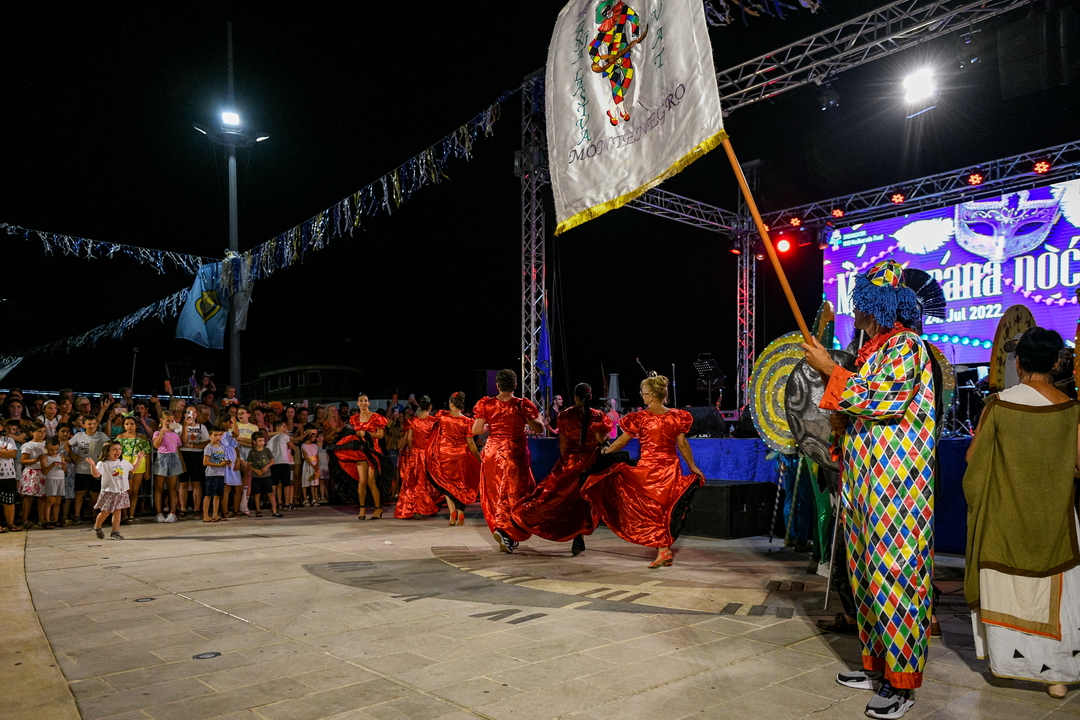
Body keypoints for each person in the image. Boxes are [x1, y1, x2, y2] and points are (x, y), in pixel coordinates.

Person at [801, 259, 936, 719]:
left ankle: (901, 685)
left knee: (895, 578)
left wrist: (828, 368)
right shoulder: (873, 352)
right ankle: (877, 667)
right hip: (865, 484)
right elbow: (862, 404)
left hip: (897, 488)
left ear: (877, 306)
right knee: (865, 577)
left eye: (861, 304)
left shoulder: (907, 345)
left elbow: (883, 399)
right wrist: (843, 422)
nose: (855, 312)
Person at [963, 327, 1080, 700]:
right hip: (1057, 523)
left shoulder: (999, 405)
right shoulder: (1071, 409)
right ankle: (1056, 677)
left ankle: (1007, 665)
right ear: (1057, 362)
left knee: (1007, 592)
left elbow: (973, 459)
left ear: (1018, 363)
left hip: (1004, 520)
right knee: (1059, 599)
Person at [583, 374, 704, 567]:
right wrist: (692, 466)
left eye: (643, 393)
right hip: (670, 468)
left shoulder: (640, 418)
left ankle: (663, 550)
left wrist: (606, 451)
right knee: (663, 510)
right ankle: (664, 550)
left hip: (649, 470)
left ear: (651, 395)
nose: (642, 396)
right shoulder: (676, 416)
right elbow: (682, 445)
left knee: (651, 511)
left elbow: (621, 441)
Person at [513, 383, 611, 555]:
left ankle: (528, 521)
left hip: (571, 462)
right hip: (591, 463)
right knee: (585, 502)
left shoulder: (565, 415)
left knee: (558, 499)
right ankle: (579, 535)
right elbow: (601, 439)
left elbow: (563, 445)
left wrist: (564, 464)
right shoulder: (597, 415)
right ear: (590, 397)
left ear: (575, 397)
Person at [472, 369, 543, 553]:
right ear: (515, 385)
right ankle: (506, 531)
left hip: (493, 453)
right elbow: (539, 429)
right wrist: (530, 420)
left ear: (497, 385)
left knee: (496, 494)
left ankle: (505, 533)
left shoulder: (486, 404)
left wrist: (493, 425)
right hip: (514, 453)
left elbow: (476, 430)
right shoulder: (522, 404)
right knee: (514, 495)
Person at [428, 392, 482, 526]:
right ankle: (461, 513)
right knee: (461, 485)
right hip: (461, 456)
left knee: (447, 484)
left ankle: (452, 513)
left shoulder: (443, 418)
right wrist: (478, 459)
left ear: (451, 404)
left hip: (445, 454)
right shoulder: (467, 421)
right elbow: (471, 443)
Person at [394, 397, 442, 519]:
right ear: (430, 406)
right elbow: (437, 439)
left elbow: (409, 439)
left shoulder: (412, 421)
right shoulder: (433, 421)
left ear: (420, 406)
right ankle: (428, 507)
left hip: (416, 454)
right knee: (428, 481)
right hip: (429, 454)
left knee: (414, 482)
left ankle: (415, 509)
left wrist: (413, 450)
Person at [346, 393, 388, 520]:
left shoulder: (376, 417)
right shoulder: (354, 419)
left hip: (373, 451)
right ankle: (362, 508)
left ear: (369, 403)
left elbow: (380, 435)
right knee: (362, 481)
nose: (363, 403)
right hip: (361, 451)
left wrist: (366, 433)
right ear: (357, 403)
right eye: (361, 401)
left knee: (371, 481)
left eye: (365, 401)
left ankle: (378, 508)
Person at [89, 441, 142, 540]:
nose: (118, 451)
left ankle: (115, 532)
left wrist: (139, 458)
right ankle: (97, 527)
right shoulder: (103, 464)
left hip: (121, 492)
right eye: (114, 449)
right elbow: (96, 475)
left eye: (119, 449)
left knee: (117, 511)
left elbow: (133, 468)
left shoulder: (123, 462)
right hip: (109, 492)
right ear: (107, 451)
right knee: (105, 512)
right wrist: (92, 465)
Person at [70, 416, 110, 522]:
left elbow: (109, 445)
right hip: (81, 468)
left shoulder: (101, 436)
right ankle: (77, 516)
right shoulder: (79, 436)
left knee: (95, 493)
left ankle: (94, 515)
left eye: (94, 423)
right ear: (83, 425)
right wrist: (72, 455)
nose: (92, 426)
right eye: (89, 424)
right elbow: (67, 445)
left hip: (96, 469)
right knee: (79, 493)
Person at [116, 415, 152, 524]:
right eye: (127, 424)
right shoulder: (120, 437)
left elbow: (147, 453)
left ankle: (131, 515)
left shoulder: (142, 437)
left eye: (132, 424)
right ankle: (124, 515)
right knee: (126, 490)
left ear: (136, 425)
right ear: (123, 426)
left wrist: (148, 470)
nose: (129, 426)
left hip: (139, 464)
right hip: (124, 464)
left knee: (135, 491)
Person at [178, 407, 209, 519]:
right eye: (189, 412)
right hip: (184, 455)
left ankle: (197, 509)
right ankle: (183, 508)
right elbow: (183, 441)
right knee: (183, 483)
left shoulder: (202, 427)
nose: (192, 414)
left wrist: (193, 445)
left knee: (196, 482)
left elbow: (206, 443)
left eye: (194, 412)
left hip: (197, 455)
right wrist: (185, 426)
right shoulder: (179, 427)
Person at [18, 422, 48, 528]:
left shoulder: (47, 444)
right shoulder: (28, 445)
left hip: (44, 472)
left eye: (44, 431)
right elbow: (23, 460)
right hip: (32, 472)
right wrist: (36, 460)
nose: (42, 434)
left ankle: (42, 519)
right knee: (28, 497)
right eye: (39, 431)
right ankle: (25, 519)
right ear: (32, 432)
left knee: (42, 498)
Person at [152, 419, 183, 522]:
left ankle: (173, 513)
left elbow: (178, 447)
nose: (170, 422)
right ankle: (158, 513)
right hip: (162, 458)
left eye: (172, 420)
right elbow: (156, 445)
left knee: (173, 487)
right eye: (168, 420)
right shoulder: (157, 433)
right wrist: (162, 432)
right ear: (162, 420)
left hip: (174, 458)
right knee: (159, 487)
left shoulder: (175, 434)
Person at [266, 420, 299, 510]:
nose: (286, 428)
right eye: (284, 426)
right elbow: (293, 447)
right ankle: (287, 504)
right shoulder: (284, 436)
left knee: (274, 484)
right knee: (286, 484)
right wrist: (290, 439)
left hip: (273, 463)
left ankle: (275, 504)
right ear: (278, 427)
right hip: (283, 462)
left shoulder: (271, 439)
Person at [247, 432, 279, 517]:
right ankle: (258, 510)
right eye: (260, 441)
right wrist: (256, 470)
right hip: (256, 476)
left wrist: (266, 466)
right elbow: (249, 464)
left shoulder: (266, 450)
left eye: (263, 440)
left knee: (270, 493)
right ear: (254, 442)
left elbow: (272, 461)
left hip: (266, 475)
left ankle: (274, 510)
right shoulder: (252, 452)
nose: (262, 443)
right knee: (257, 493)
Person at [202, 427, 229, 522]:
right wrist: (219, 465)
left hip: (221, 473)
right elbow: (205, 462)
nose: (218, 437)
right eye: (215, 435)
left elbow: (221, 460)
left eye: (220, 435)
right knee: (209, 495)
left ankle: (215, 514)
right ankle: (205, 515)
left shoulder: (222, 447)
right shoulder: (209, 447)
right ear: (210, 436)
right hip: (212, 474)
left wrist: (225, 463)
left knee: (218, 495)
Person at [41, 436, 67, 528]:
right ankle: (47, 520)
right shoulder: (44, 457)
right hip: (51, 479)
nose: (54, 452)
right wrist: (52, 465)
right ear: (46, 448)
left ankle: (55, 520)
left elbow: (65, 470)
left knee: (58, 501)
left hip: (61, 479)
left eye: (56, 449)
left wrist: (63, 466)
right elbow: (44, 471)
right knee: (50, 501)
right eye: (51, 450)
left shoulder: (60, 456)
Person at [0, 421, 20, 532]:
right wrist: (3, 451)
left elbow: (12, 454)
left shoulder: (8, 440)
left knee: (9, 501)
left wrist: (7, 452)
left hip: (8, 475)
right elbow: (7, 453)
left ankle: (10, 524)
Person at [299, 425, 320, 507]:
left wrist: (316, 465)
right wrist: (312, 465)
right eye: (314, 436)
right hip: (308, 465)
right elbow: (306, 457)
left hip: (315, 464)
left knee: (314, 482)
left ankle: (314, 498)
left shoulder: (315, 446)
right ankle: (305, 499)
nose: (315, 438)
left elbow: (317, 456)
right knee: (306, 481)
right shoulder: (304, 445)